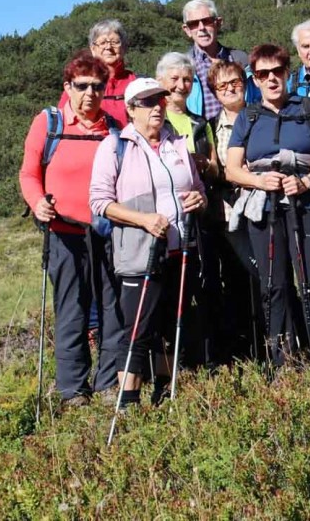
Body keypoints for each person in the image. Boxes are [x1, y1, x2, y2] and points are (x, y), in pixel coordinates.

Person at [89, 78, 207, 408]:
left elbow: (199, 188)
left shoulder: (178, 143)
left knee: (172, 323)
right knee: (138, 329)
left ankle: (165, 393)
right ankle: (128, 400)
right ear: (130, 110)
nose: (156, 106)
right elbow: (99, 202)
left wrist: (200, 199)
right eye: (146, 102)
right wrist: (144, 219)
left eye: (159, 99)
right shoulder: (115, 146)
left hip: (180, 248)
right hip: (140, 251)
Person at [225, 44, 310, 365]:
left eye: (277, 71)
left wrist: (306, 181)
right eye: (263, 74)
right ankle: (283, 361)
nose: (272, 79)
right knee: (273, 285)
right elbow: (232, 169)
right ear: (256, 79)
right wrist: (260, 181)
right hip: (264, 208)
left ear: (287, 73)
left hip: (306, 203)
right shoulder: (248, 116)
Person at [19, 52, 122, 405]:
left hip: (107, 233)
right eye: (81, 86)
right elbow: (29, 173)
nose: (90, 93)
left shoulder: (113, 129)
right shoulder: (48, 123)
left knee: (112, 308)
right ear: (68, 87)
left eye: (97, 86)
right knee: (72, 310)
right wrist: (37, 203)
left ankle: (108, 383)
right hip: (64, 233)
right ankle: (73, 389)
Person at [207, 59, 262, 359]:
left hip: (263, 208)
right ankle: (247, 344)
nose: (230, 89)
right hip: (229, 213)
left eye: (235, 82)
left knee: (265, 275)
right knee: (240, 278)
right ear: (214, 92)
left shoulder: (261, 115)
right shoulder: (212, 128)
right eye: (222, 85)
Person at [181, 0, 259, 117]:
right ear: (187, 30)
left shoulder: (241, 59)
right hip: (202, 134)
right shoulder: (183, 67)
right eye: (194, 24)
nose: (201, 28)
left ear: (218, 23)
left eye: (207, 21)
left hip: (243, 131)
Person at [59, 19, 137, 126]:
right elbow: (63, 120)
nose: (108, 47)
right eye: (102, 43)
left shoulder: (136, 83)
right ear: (93, 49)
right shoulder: (78, 84)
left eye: (115, 42)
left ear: (123, 48)